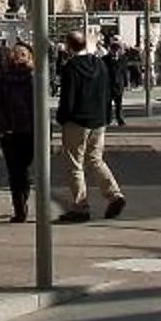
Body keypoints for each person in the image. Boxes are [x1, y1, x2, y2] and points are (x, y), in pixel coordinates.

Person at [55, 33, 124, 222]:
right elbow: (107, 92)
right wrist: (106, 117)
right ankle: (114, 194)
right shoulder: (100, 64)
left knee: (74, 164)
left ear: (69, 47)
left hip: (77, 121)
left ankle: (80, 206)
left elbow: (68, 98)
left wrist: (62, 118)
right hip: (98, 121)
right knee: (96, 159)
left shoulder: (71, 68)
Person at [0, 40, 36, 222]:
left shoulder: (6, 77)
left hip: (18, 130)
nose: (20, 58)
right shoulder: (30, 78)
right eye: (18, 55)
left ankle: (20, 203)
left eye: (22, 55)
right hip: (21, 130)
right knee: (20, 169)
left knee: (18, 170)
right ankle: (20, 203)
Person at [102, 32, 126, 128]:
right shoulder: (105, 59)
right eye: (113, 49)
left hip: (119, 84)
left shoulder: (122, 59)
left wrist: (126, 82)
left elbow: (124, 71)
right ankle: (108, 119)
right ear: (110, 49)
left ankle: (119, 119)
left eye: (117, 49)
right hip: (108, 85)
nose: (115, 51)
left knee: (119, 104)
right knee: (107, 104)